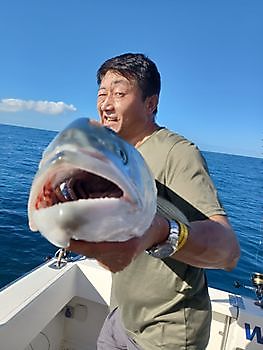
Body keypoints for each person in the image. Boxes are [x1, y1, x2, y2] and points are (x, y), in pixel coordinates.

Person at [69, 53, 240, 350]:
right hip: (121, 316)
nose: (106, 104)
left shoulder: (178, 154)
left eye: (119, 93)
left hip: (166, 334)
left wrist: (162, 232)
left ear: (151, 103)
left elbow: (228, 251)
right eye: (102, 93)